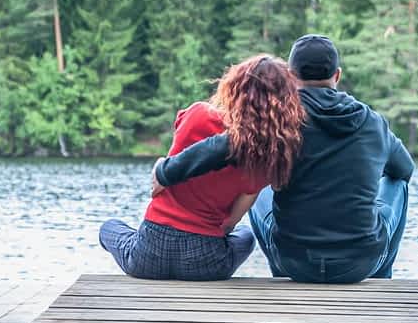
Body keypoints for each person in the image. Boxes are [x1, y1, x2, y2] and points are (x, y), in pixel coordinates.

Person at [151, 35, 414, 284]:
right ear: (337, 75)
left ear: (289, 75)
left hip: (293, 262)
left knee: (258, 187)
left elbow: (215, 148)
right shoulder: (372, 122)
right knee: (397, 183)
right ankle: (382, 276)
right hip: (359, 264)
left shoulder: (280, 122)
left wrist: (165, 173)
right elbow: (405, 169)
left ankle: (278, 274)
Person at [100, 55, 305, 280]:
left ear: (233, 87)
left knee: (109, 228)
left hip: (148, 254)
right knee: (246, 236)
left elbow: (169, 167)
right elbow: (229, 224)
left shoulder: (197, 114)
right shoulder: (263, 161)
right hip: (205, 264)